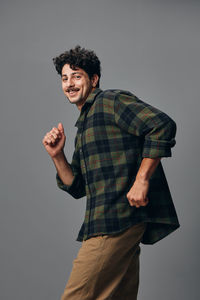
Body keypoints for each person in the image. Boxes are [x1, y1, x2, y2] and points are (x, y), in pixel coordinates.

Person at [42, 45, 180, 300]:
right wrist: (57, 155)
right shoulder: (85, 125)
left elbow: (161, 125)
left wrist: (142, 180)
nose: (69, 84)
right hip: (111, 221)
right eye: (64, 78)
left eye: (77, 76)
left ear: (93, 80)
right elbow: (77, 187)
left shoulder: (109, 101)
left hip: (115, 220)